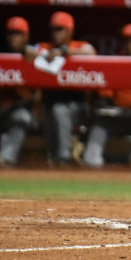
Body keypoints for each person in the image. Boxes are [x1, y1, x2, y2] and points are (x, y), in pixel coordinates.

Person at [81, 23, 131, 168]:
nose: (130, 45)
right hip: (117, 116)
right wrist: (106, 103)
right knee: (100, 123)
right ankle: (91, 163)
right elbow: (105, 94)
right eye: (127, 40)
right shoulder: (116, 61)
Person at [37, 11, 96, 166]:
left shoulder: (79, 46)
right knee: (52, 110)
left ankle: (64, 158)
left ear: (70, 31)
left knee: (59, 110)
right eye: (53, 29)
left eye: (60, 29)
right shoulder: (46, 47)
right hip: (50, 103)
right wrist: (45, 55)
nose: (55, 33)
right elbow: (31, 51)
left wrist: (64, 52)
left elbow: (91, 53)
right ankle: (56, 158)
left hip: (78, 106)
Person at [0, 17, 39, 167]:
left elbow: (36, 97)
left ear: (26, 36)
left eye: (18, 33)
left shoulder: (33, 56)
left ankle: (6, 160)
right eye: (11, 33)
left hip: (23, 112)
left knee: (21, 117)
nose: (14, 37)